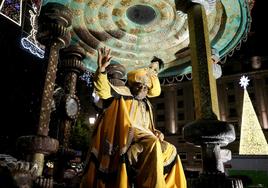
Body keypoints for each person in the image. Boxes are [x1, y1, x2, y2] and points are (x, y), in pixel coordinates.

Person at [80, 47, 187, 188]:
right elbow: (104, 90)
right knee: (153, 144)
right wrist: (102, 70)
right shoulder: (122, 93)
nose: (143, 89)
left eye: (146, 87)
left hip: (145, 137)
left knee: (170, 149)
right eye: (140, 85)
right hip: (127, 137)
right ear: (131, 84)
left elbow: (147, 127)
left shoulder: (147, 104)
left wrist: (156, 132)